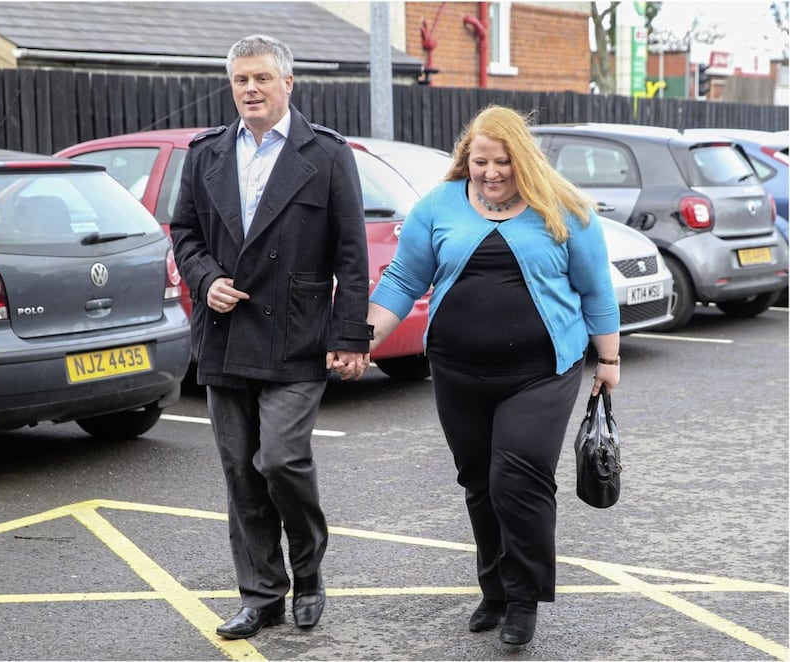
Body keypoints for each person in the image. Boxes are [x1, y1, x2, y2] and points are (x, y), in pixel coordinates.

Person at [366, 105, 620, 646]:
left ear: (522, 158)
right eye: (480, 161)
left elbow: (596, 286)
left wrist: (609, 359)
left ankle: (525, 597)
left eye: (502, 161)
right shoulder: (439, 205)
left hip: (541, 371)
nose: (490, 172)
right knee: (478, 482)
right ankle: (495, 589)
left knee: (518, 477)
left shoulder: (563, 207)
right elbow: (403, 278)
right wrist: (361, 342)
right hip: (458, 372)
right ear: (466, 159)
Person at [170, 34, 373, 640]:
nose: (250, 89)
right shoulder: (205, 153)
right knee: (240, 474)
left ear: (289, 84)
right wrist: (205, 279)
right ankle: (261, 596)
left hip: (297, 334)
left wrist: (351, 336)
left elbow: (352, 254)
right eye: (240, 80)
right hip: (226, 335)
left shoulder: (330, 155)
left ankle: (308, 573)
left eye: (261, 78)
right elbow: (184, 233)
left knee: (281, 460)